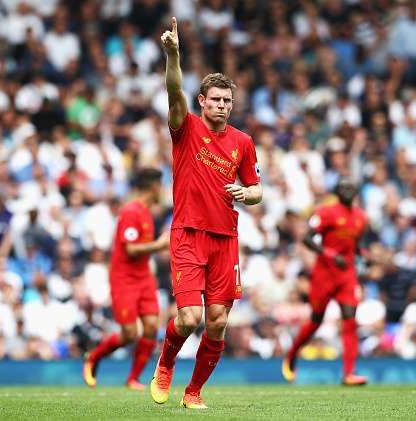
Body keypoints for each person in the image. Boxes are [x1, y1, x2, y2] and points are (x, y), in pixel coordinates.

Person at [150, 17, 262, 409]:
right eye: (215, 99)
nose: (222, 106)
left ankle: (193, 392)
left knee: (217, 321)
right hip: (187, 233)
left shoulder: (243, 142)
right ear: (202, 101)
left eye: (227, 101)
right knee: (189, 319)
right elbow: (173, 86)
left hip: (225, 238)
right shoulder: (186, 128)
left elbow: (257, 189)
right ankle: (165, 364)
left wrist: (247, 195)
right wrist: (174, 55)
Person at [83, 167, 169, 390]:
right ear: (154, 186)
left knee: (151, 327)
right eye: (161, 185)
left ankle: (133, 379)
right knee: (130, 334)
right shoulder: (132, 211)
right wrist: (159, 245)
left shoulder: (146, 212)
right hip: (125, 279)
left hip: (144, 278)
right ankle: (93, 357)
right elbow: (130, 249)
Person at [282, 178, 369, 386]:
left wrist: (362, 255)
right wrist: (330, 254)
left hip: (347, 274)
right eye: (344, 186)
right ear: (337, 191)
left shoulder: (361, 218)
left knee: (350, 320)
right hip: (325, 274)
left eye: (352, 186)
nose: (348, 189)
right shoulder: (326, 212)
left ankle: (349, 373)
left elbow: (355, 244)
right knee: (316, 320)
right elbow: (307, 239)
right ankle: (292, 354)